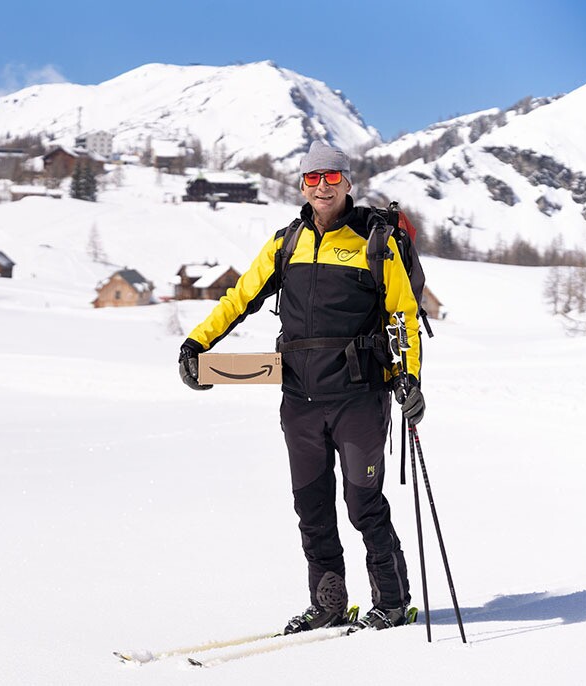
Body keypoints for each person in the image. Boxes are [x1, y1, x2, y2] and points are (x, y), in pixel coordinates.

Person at [178, 140, 426, 634]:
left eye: (331, 178)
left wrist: (410, 376)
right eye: (313, 179)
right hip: (300, 403)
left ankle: (393, 603)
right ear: (302, 185)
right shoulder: (286, 243)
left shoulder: (374, 241)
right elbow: (240, 296)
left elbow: (403, 314)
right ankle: (329, 603)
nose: (322, 187)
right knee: (312, 508)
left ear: (348, 182)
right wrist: (196, 342)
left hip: (358, 398)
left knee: (363, 505)